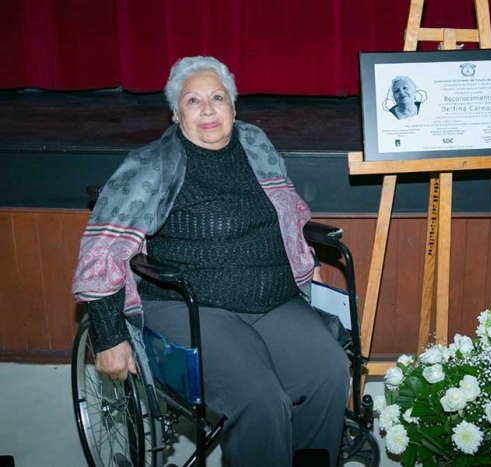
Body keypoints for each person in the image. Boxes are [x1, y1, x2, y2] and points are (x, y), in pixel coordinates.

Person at [72, 56, 350, 466]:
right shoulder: (153, 164)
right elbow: (103, 250)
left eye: (217, 98)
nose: (207, 110)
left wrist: (301, 253)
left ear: (234, 108)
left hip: (272, 299)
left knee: (329, 372)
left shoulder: (254, 144)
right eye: (193, 100)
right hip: (189, 305)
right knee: (261, 400)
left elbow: (287, 206)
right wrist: (110, 334)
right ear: (175, 113)